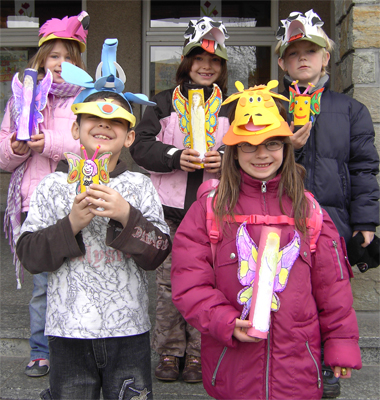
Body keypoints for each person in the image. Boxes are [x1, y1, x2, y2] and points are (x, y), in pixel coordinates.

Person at [170, 81, 362, 400]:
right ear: (233, 149)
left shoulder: (309, 211)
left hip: (297, 370)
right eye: (248, 144)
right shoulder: (209, 210)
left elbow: (334, 288)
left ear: (286, 147)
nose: (262, 154)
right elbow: (189, 284)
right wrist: (225, 321)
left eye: (272, 143)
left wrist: (341, 343)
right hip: (233, 369)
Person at [16, 41, 171, 399]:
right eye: (94, 120)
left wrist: (125, 215)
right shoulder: (52, 186)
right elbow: (30, 255)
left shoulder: (140, 186)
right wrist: (70, 224)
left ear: (130, 137)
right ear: (75, 128)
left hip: (128, 330)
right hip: (67, 331)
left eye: (116, 122)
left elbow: (159, 252)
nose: (104, 126)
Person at [275, 9, 379, 397]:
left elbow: (365, 169)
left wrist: (365, 222)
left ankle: (326, 366)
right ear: (283, 61)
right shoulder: (270, 105)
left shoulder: (350, 110)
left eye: (312, 51)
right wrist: (289, 146)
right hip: (282, 216)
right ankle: (287, 362)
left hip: (333, 218)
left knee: (329, 295)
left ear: (325, 58)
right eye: (295, 51)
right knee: (287, 294)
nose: (304, 58)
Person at [130, 16, 232, 383]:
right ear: (186, 62)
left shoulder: (232, 106)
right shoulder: (161, 104)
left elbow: (248, 148)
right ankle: (170, 352)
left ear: (222, 67)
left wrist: (227, 160)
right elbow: (140, 146)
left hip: (215, 211)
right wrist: (174, 156)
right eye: (199, 59)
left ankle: (197, 355)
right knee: (169, 283)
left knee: (209, 283)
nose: (207, 67)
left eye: (215, 61)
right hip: (169, 212)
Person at [0, 11, 89, 377]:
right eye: (54, 56)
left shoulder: (85, 98)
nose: (60, 64)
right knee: (41, 286)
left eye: (69, 57)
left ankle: (75, 345)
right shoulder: (24, 98)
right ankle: (41, 350)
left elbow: (91, 146)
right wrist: (16, 149)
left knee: (77, 278)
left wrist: (49, 141)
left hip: (74, 203)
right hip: (32, 201)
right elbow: (4, 151)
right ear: (40, 59)